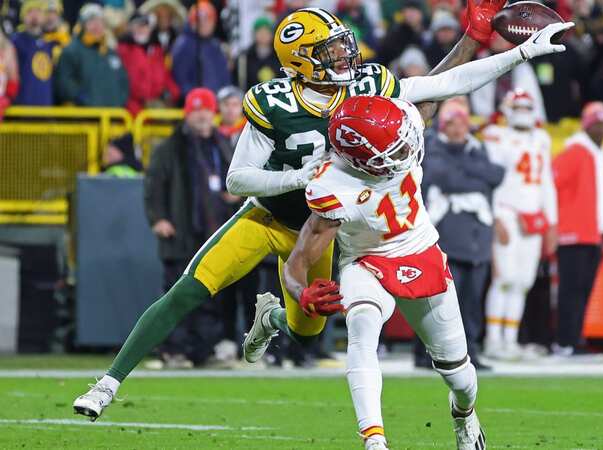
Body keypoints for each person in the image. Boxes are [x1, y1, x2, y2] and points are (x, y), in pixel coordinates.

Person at [73, 2, 569, 420]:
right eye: (329, 51)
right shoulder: (272, 101)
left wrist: (519, 52)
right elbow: (236, 178)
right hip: (266, 217)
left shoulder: (368, 85)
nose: (344, 54)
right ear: (300, 62)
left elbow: (445, 85)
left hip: (321, 230)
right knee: (187, 292)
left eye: (341, 44)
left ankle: (269, 320)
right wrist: (299, 177)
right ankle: (107, 384)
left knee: (306, 333)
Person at [281, 94, 488, 450]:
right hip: (367, 261)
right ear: (360, 160)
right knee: (361, 325)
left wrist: (481, 42)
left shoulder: (396, 126)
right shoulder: (334, 186)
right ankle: (374, 441)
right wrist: (301, 292)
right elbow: (296, 261)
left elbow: (444, 81)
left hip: (420, 252)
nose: (406, 149)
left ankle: (464, 415)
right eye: (393, 149)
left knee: (460, 376)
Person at [143, 88, 239, 368]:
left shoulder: (222, 145)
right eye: (196, 110)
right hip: (180, 231)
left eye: (206, 109)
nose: (201, 115)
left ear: (213, 112)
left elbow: (238, 178)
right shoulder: (170, 147)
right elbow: (153, 188)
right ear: (187, 113)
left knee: (209, 296)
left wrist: (236, 194)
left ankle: (204, 350)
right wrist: (158, 218)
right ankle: (174, 350)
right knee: (176, 295)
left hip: (213, 233)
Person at [422, 98, 504, 370]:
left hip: (476, 238)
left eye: (463, 124)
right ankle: (427, 353)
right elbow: (443, 177)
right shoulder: (433, 148)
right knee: (441, 300)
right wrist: (474, 178)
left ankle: (471, 353)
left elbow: (496, 175)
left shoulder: (475, 149)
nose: (459, 130)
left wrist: (465, 172)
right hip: (447, 236)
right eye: (453, 124)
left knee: (472, 300)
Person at [482, 89, 557, 361]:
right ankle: (493, 340)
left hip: (533, 215)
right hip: (507, 213)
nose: (524, 111)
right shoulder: (496, 136)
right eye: (519, 106)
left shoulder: (542, 139)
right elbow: (489, 181)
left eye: (528, 106)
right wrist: (495, 217)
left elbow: (546, 181)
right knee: (504, 278)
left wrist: (552, 222)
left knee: (523, 281)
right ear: (507, 108)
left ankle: (510, 341)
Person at [551, 101, 603, 356]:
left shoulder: (602, 154)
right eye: (597, 124)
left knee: (583, 290)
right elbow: (552, 183)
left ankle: (575, 339)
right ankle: (565, 341)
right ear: (587, 125)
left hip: (593, 233)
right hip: (572, 233)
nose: (602, 128)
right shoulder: (575, 152)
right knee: (571, 291)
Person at [53, 3, 128, 107]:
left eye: (100, 21)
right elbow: (64, 84)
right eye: (91, 21)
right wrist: (84, 99)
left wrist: (118, 102)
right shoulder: (71, 51)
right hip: (84, 119)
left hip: (112, 118)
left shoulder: (111, 53)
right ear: (82, 25)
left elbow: (123, 83)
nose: (96, 25)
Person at [117, 11, 179, 115]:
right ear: (129, 29)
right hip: (132, 110)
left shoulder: (157, 51)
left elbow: (166, 77)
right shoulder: (123, 51)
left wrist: (173, 94)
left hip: (156, 108)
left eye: (145, 26)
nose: (142, 29)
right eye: (137, 26)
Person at [170, 1, 231, 100]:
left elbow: (225, 78)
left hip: (217, 105)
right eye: (200, 20)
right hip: (195, 105)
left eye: (208, 20)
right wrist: (197, 98)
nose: (204, 24)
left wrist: (223, 98)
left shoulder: (215, 45)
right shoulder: (183, 45)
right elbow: (180, 81)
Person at [11, 0, 57, 106]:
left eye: (38, 11)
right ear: (23, 16)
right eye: (30, 11)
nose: (34, 15)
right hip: (22, 108)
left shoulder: (50, 43)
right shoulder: (15, 41)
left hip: (45, 107)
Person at [233, 17, 282, 90]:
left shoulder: (280, 56)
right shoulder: (244, 58)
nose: (263, 35)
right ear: (254, 34)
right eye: (260, 32)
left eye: (266, 32)